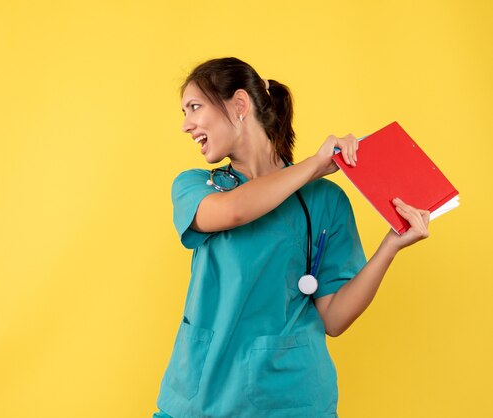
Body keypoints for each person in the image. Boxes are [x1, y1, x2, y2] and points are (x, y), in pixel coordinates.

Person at [153, 57, 430, 418]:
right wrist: (314, 165)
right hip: (202, 396)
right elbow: (234, 212)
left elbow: (334, 319)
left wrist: (390, 246)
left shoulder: (325, 201)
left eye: (194, 107)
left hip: (290, 399)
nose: (186, 125)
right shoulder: (199, 187)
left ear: (239, 105)